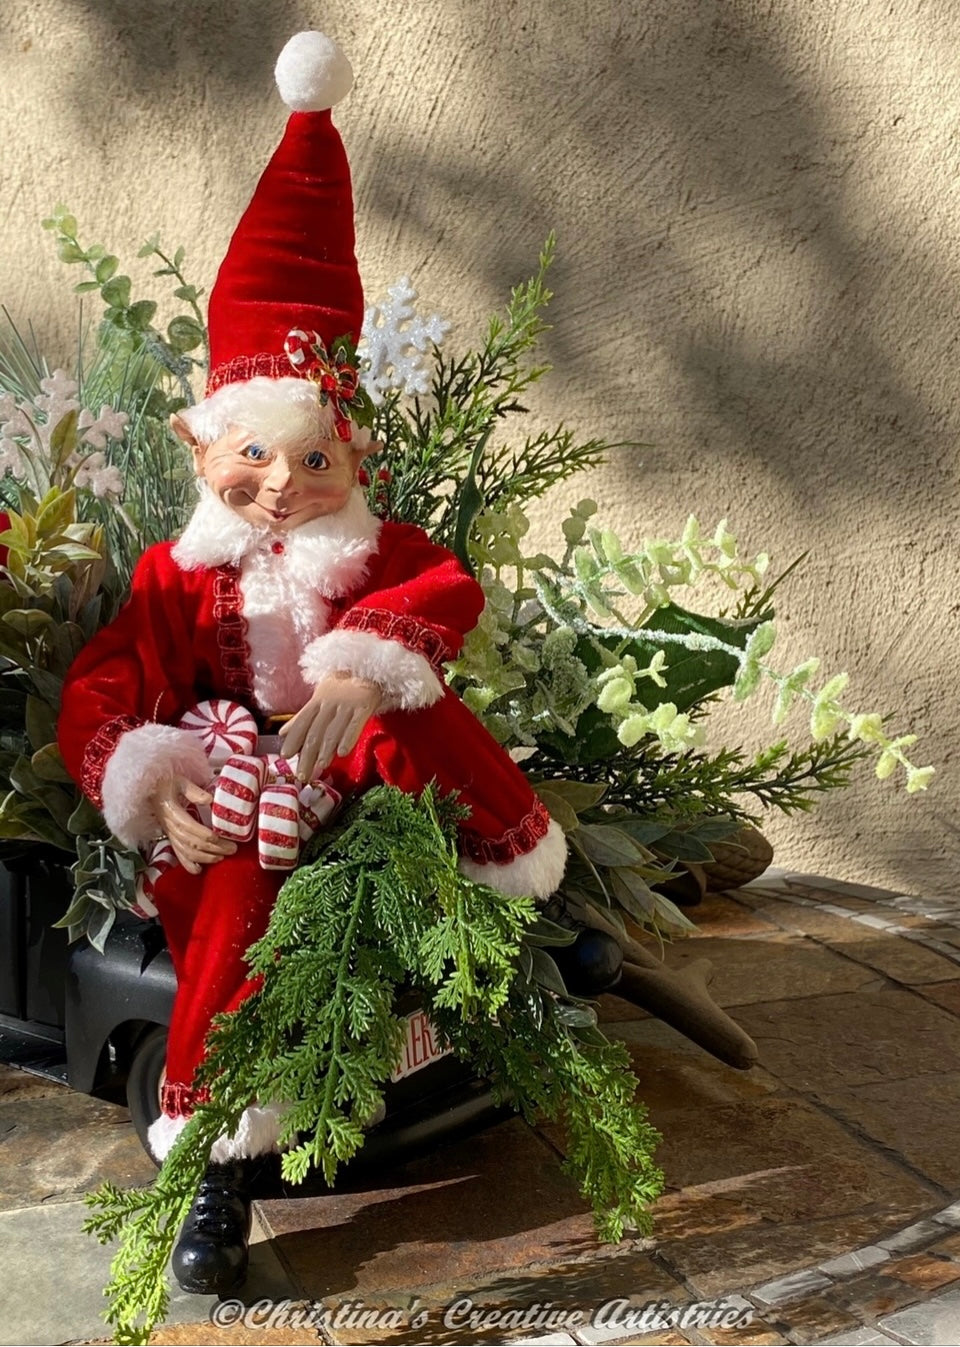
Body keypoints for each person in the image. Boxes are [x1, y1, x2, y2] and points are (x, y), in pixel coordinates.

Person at [57, 30, 621, 1296]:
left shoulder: (375, 554)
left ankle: (531, 896)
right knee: (231, 912)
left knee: (405, 715)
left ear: (355, 463)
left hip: (358, 767)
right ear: (202, 449)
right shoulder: (171, 576)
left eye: (315, 460)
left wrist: (369, 661)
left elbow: (448, 588)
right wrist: (152, 777)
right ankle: (211, 1164)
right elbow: (102, 685)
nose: (281, 487)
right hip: (236, 791)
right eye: (252, 456)